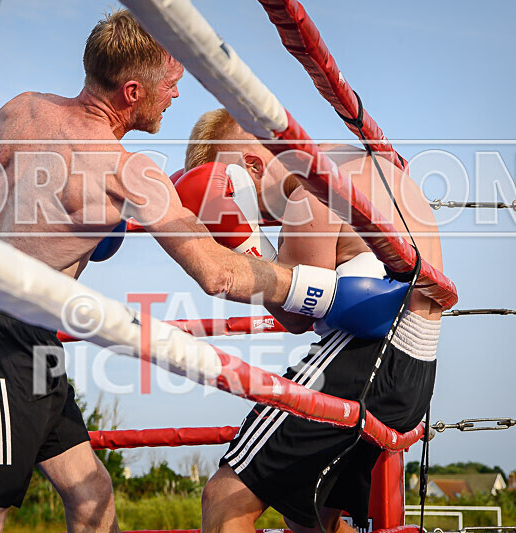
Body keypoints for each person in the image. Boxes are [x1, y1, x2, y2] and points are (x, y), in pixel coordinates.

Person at [0, 12, 323, 533]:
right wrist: (312, 288)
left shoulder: (22, 108)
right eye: (172, 83)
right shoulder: (127, 171)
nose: (176, 95)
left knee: (91, 493)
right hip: (3, 343)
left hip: (18, 336)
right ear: (133, 91)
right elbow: (216, 274)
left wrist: (27, 196)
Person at [175, 109, 443, 533]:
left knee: (226, 497)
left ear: (251, 166)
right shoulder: (360, 161)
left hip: (361, 360)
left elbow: (296, 317)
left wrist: (245, 241)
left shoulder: (310, 193)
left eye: (229, 189)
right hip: (416, 370)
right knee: (311, 520)